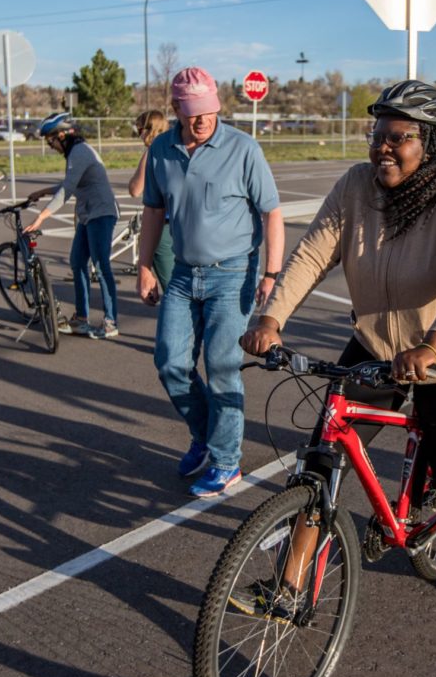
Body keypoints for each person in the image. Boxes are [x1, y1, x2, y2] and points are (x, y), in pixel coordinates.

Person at [241, 80, 436, 612]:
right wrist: (272, 317)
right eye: (377, 135)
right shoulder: (356, 187)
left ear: (433, 144)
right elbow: (311, 255)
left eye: (400, 138)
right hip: (377, 345)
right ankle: (289, 587)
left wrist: (435, 343)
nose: (383, 148)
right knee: (322, 460)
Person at [136, 66, 285, 497]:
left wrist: (271, 273)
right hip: (183, 273)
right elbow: (153, 212)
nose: (201, 120)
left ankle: (225, 461)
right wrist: (145, 265)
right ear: (176, 109)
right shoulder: (162, 149)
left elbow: (271, 213)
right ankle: (205, 436)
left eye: (208, 111)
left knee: (222, 369)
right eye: (192, 112)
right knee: (170, 363)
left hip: (233, 273)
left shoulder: (243, 148)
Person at [24, 112, 121, 339]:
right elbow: (71, 182)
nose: (50, 145)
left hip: (101, 213)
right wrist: (44, 191)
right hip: (88, 215)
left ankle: (110, 321)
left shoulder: (80, 152)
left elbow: (67, 190)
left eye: (50, 140)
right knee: (77, 262)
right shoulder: (76, 153)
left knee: (101, 265)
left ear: (63, 135)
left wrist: (40, 217)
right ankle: (81, 318)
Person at [128, 110, 174, 290]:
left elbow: (135, 189)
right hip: (185, 225)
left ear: (149, 129)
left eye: (140, 129)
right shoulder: (176, 144)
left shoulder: (154, 150)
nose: (139, 135)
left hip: (163, 224)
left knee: (173, 288)